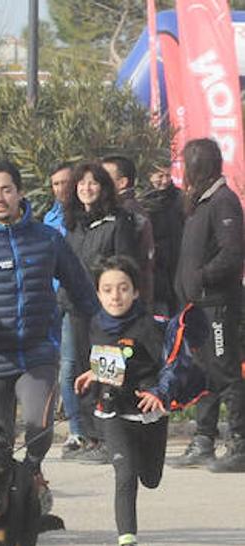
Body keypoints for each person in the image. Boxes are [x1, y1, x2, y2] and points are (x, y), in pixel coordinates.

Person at [0, 160, 99, 506]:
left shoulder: (47, 239)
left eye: (6, 190)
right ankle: (9, 498)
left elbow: (81, 288)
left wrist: (108, 328)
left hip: (38, 352)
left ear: (20, 192)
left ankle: (30, 473)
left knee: (38, 424)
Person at [73, 257, 202, 546]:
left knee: (151, 479)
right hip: (113, 411)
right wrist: (93, 375)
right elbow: (109, 363)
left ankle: (148, 472)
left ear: (135, 292)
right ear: (99, 294)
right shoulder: (96, 323)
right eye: (107, 290)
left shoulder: (152, 324)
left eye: (122, 289)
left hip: (150, 412)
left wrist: (160, 392)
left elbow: (172, 364)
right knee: (125, 475)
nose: (115, 296)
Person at [169, 138, 245, 472]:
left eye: (189, 163)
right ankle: (204, 438)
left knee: (226, 372)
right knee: (204, 374)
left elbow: (232, 253)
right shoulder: (200, 203)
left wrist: (201, 277)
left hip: (217, 304)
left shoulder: (223, 202)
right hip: (196, 305)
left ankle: (240, 442)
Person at [60, 161, 138, 464]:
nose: (86, 188)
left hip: (106, 310)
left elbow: (127, 264)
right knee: (80, 370)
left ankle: (110, 437)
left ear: (104, 187)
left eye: (93, 183)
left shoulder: (117, 221)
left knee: (107, 373)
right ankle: (91, 436)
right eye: (81, 183)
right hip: (75, 308)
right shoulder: (74, 224)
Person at [100, 154, 156, 310]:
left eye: (104, 177)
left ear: (122, 182)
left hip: (128, 302)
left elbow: (132, 260)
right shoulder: (123, 209)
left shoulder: (128, 214)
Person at [140, 162, 184, 317]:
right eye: (160, 176)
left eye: (168, 176)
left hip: (177, 266)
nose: (165, 181)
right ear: (149, 176)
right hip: (157, 271)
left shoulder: (180, 199)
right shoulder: (143, 203)